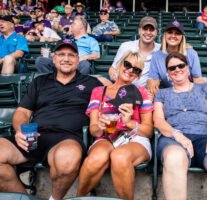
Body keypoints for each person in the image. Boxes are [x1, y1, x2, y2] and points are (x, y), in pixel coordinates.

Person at [0, 39, 103, 200]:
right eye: (61, 54)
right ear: (53, 59)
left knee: (67, 160)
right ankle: (23, 198)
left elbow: (113, 95)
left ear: (78, 59)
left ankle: (54, 198)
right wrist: (20, 131)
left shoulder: (91, 83)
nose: (66, 59)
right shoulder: (40, 81)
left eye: (71, 55)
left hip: (67, 138)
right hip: (34, 136)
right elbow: (22, 112)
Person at [154, 51, 207, 200]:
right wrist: (178, 135)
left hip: (205, 137)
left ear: (188, 67)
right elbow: (158, 120)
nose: (177, 70)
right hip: (173, 138)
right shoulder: (162, 93)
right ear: (168, 73)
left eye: (181, 65)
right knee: (174, 157)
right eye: (172, 68)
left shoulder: (204, 88)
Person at [76, 51, 153, 200]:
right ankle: (79, 197)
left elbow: (148, 130)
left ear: (138, 75)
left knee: (120, 156)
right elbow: (93, 129)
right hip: (106, 137)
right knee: (96, 158)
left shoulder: (141, 92)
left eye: (136, 70)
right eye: (128, 64)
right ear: (119, 64)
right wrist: (101, 126)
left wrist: (129, 122)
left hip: (135, 139)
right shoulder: (99, 91)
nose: (130, 70)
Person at [147, 20, 204, 97]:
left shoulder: (191, 53)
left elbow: (198, 80)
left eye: (177, 33)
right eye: (170, 32)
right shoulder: (157, 56)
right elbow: (153, 81)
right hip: (168, 95)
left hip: (189, 93)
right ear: (165, 35)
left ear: (182, 37)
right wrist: (153, 87)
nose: (173, 36)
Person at [35, 16, 100, 74]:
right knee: (40, 60)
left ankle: (77, 85)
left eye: (73, 23)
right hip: (61, 62)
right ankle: (52, 82)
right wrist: (51, 54)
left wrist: (80, 58)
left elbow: (96, 55)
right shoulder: (68, 39)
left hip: (77, 64)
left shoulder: (91, 40)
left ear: (81, 27)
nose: (71, 25)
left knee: (85, 64)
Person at [108, 16, 160, 87]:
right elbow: (113, 69)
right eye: (145, 29)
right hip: (124, 88)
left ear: (156, 32)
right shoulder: (126, 46)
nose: (148, 32)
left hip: (147, 91)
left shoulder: (161, 49)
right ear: (139, 30)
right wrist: (117, 79)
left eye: (151, 29)